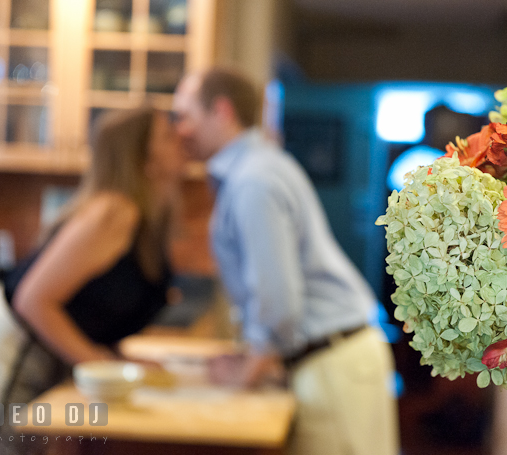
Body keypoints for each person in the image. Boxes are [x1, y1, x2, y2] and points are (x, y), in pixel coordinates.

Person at [171, 67, 399, 455]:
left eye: (185, 116)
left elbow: (277, 300)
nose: (179, 130)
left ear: (221, 111)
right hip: (330, 360)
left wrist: (246, 373)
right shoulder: (257, 169)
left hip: (332, 365)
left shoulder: (253, 180)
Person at [0, 107, 184, 455]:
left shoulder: (144, 216)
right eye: (167, 135)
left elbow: (92, 304)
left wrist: (118, 357)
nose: (181, 139)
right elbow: (34, 300)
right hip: (10, 345)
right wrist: (100, 364)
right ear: (140, 155)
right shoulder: (114, 212)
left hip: (36, 347)